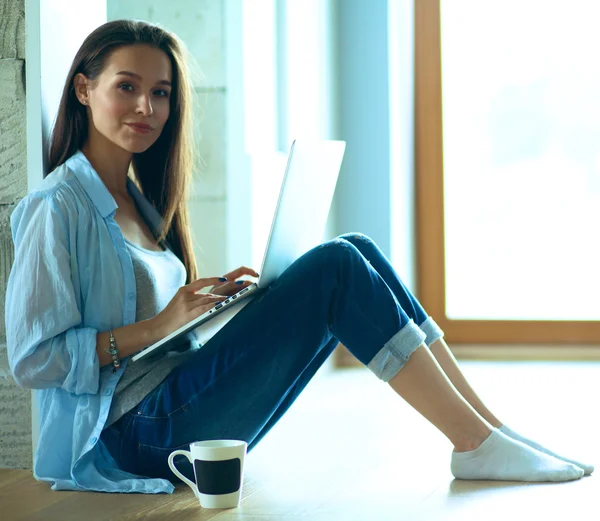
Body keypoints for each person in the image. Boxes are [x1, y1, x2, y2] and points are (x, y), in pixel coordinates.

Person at [5, 19, 593, 494]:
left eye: (161, 93)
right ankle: (475, 444)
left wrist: (209, 308)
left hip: (170, 404)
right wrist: (161, 324)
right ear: (84, 89)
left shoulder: (139, 201)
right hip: (131, 437)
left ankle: (486, 430)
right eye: (126, 87)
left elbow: (159, 337)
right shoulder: (55, 207)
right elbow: (32, 361)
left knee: (357, 250)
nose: (148, 107)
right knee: (336, 265)